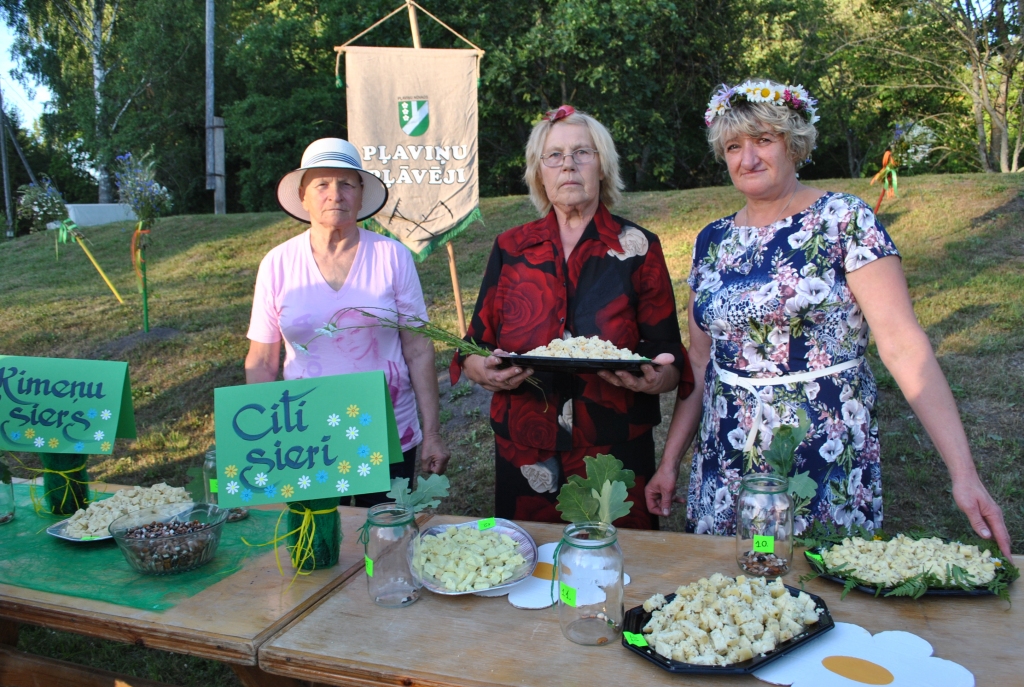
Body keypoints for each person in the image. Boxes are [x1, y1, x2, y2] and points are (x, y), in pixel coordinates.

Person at [645, 80, 1012, 559]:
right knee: (731, 588)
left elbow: (903, 345)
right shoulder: (711, 241)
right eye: (734, 146)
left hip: (821, 449)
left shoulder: (845, 220)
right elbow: (700, 361)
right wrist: (670, 462)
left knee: (818, 580)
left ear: (794, 145)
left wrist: (964, 473)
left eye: (763, 140)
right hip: (729, 456)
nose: (748, 158)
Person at [451, 105, 693, 528]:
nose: (568, 165)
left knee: (617, 558)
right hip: (526, 449)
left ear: (603, 166)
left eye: (582, 152)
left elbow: (668, 355)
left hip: (613, 450)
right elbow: (474, 346)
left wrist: (656, 378)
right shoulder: (510, 248)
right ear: (539, 172)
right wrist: (482, 370)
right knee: (531, 557)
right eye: (554, 156)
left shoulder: (638, 247)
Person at [244, 138, 450, 504]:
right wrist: (258, 444)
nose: (335, 194)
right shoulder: (277, 264)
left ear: (361, 193)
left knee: (385, 532)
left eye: (346, 184)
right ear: (303, 195)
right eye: (321, 184)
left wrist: (432, 433)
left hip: (386, 434)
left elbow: (419, 350)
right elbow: (261, 362)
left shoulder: (392, 256)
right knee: (317, 535)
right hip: (306, 439)